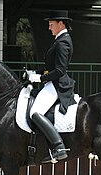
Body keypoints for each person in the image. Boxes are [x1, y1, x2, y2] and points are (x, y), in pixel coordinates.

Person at [28, 10, 76, 163]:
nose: (49, 28)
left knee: (35, 112)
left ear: (60, 24)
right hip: (51, 81)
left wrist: (40, 78)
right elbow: (51, 67)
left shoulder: (63, 42)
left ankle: (59, 147)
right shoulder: (59, 40)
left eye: (51, 24)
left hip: (57, 85)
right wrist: (34, 73)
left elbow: (60, 70)